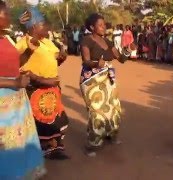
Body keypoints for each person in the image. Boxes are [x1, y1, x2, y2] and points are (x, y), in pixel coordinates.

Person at [0, 2, 46, 179]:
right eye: (6, 13)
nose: (9, 17)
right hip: (3, 103)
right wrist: (13, 83)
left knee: (18, 143)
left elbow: (15, 64)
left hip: (16, 102)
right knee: (6, 147)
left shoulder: (7, 38)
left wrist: (28, 52)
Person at [17, 7, 69, 160]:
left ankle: (55, 147)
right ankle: (45, 149)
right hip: (37, 89)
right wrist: (40, 80)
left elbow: (53, 62)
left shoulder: (47, 42)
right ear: (34, 27)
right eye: (43, 24)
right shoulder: (23, 43)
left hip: (52, 88)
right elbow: (18, 66)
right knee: (41, 121)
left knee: (55, 119)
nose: (47, 27)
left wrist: (61, 58)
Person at [80, 13, 127, 156]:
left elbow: (121, 58)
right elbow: (85, 61)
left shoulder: (108, 41)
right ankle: (93, 143)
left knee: (114, 107)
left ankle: (110, 134)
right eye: (100, 25)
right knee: (96, 111)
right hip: (91, 80)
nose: (103, 27)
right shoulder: (86, 40)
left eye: (104, 24)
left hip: (108, 78)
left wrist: (129, 49)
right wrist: (96, 63)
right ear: (92, 27)